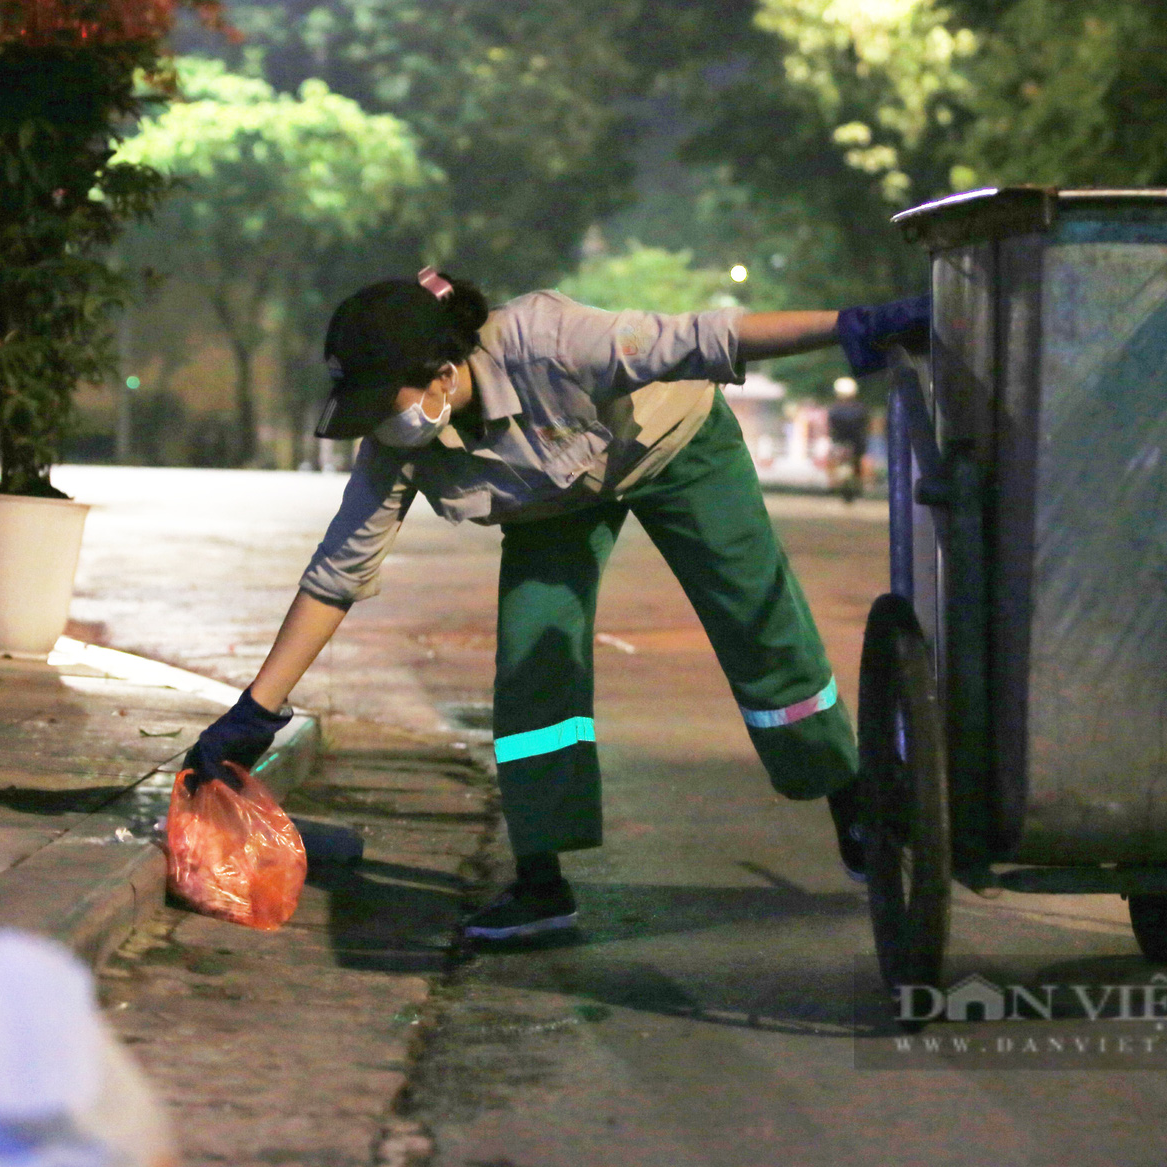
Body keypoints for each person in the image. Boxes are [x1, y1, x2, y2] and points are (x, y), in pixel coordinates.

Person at [181, 267, 928, 942]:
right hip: (553, 500)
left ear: (443, 373)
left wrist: (850, 325)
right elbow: (338, 571)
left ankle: (850, 794)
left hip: (672, 447)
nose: (380, 424)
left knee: (757, 619)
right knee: (533, 658)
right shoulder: (401, 442)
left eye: (387, 403)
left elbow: (710, 337)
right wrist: (257, 709)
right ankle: (541, 884)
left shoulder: (549, 339)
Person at [825, 376, 870, 503]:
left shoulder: (834, 409)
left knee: (834, 461)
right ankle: (857, 485)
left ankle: (833, 484)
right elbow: (865, 427)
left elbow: (831, 428)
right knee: (857, 464)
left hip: (843, 443)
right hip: (854, 444)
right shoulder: (860, 408)